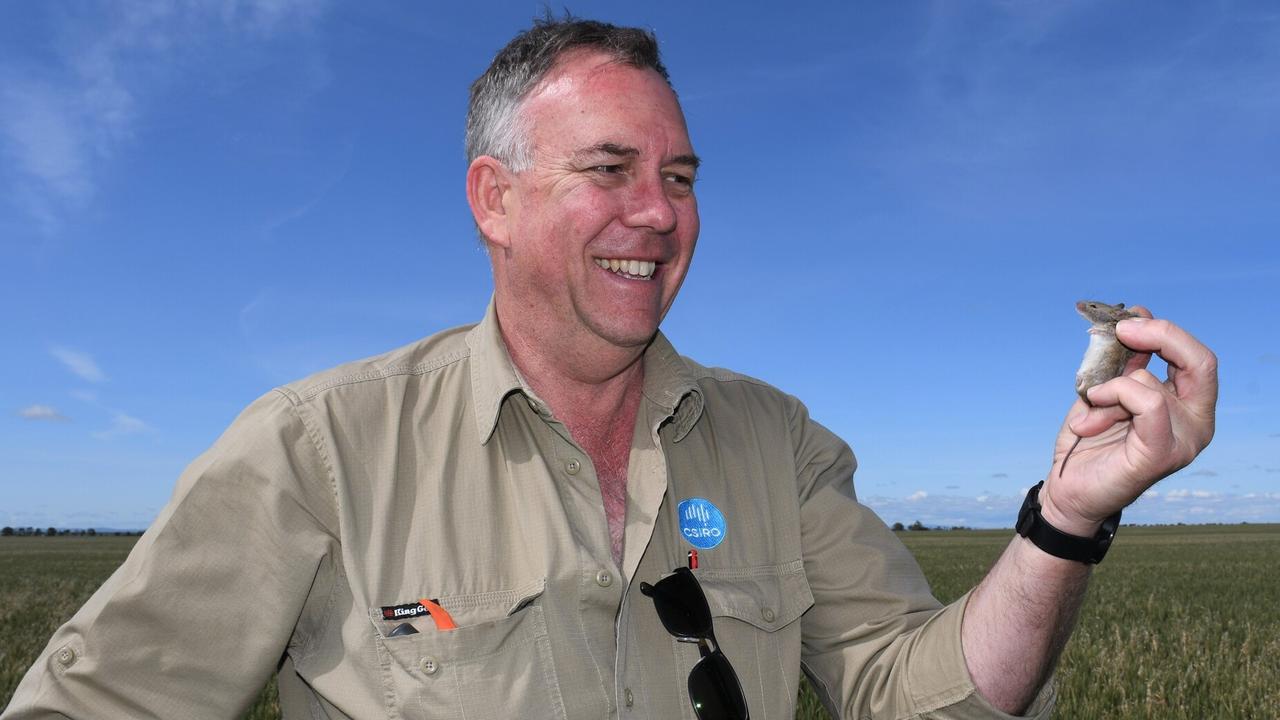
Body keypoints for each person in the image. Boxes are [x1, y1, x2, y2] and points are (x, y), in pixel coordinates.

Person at [3, 17, 1217, 720]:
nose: (657, 212)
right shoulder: (318, 448)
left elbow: (925, 693)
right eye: (608, 169)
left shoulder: (772, 440)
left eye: (679, 179)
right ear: (494, 198)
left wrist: (1063, 521)